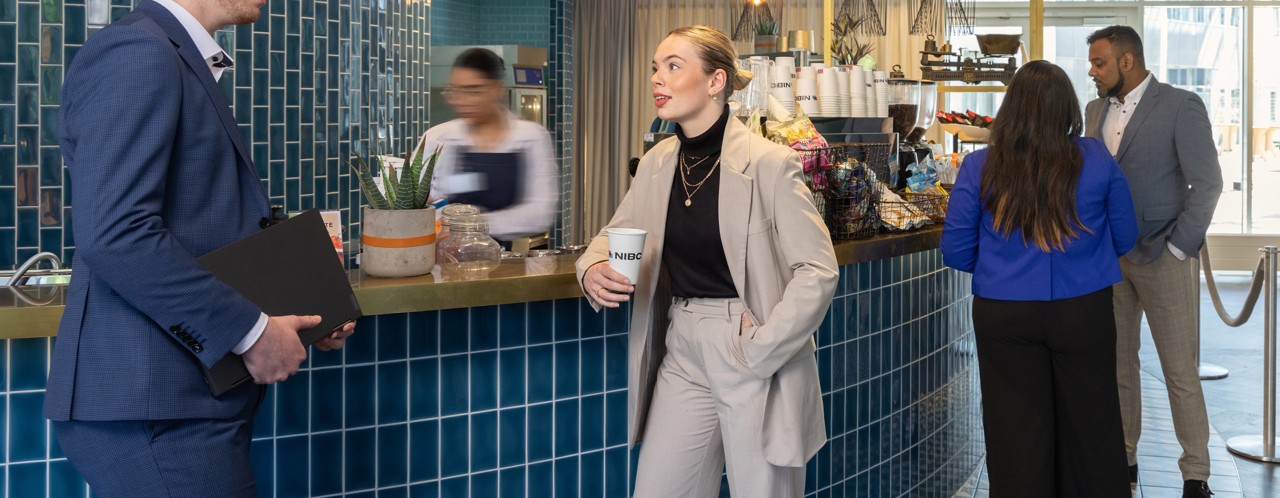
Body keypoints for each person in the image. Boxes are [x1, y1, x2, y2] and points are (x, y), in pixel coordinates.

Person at [44, 0, 355, 496]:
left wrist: (301, 310)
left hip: (183, 399)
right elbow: (116, 233)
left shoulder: (172, 53)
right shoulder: (138, 52)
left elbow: (198, 226)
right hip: (155, 405)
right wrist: (251, 332)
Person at [576, 25, 837, 498]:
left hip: (750, 341)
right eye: (656, 68)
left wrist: (761, 347)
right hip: (684, 344)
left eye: (673, 66)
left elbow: (818, 270)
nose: (657, 79)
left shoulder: (770, 164)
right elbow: (613, 235)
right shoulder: (657, 162)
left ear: (716, 81)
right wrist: (593, 268)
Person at [941, 60, 1138, 497]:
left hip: (1004, 314)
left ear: (1011, 108)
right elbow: (1126, 236)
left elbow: (955, 249)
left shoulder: (980, 165)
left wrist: (1001, 270)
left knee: (1015, 433)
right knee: (1093, 427)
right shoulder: (1095, 156)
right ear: (1066, 107)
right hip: (1083, 309)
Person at [1085, 25, 1222, 498]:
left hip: (1165, 257)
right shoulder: (1093, 110)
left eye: (1099, 62)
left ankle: (1196, 473)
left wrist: (1180, 247)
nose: (1092, 71)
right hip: (1111, 259)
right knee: (1118, 366)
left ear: (1127, 61)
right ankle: (1123, 460)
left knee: (1179, 370)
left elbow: (1208, 184)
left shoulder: (1181, 105)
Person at [414, 47, 559, 245]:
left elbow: (539, 214)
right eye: (455, 91)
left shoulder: (531, 138)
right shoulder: (437, 138)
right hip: (442, 261)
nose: (462, 101)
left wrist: (471, 225)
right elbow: (414, 205)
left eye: (473, 91)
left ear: (497, 88)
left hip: (502, 261)